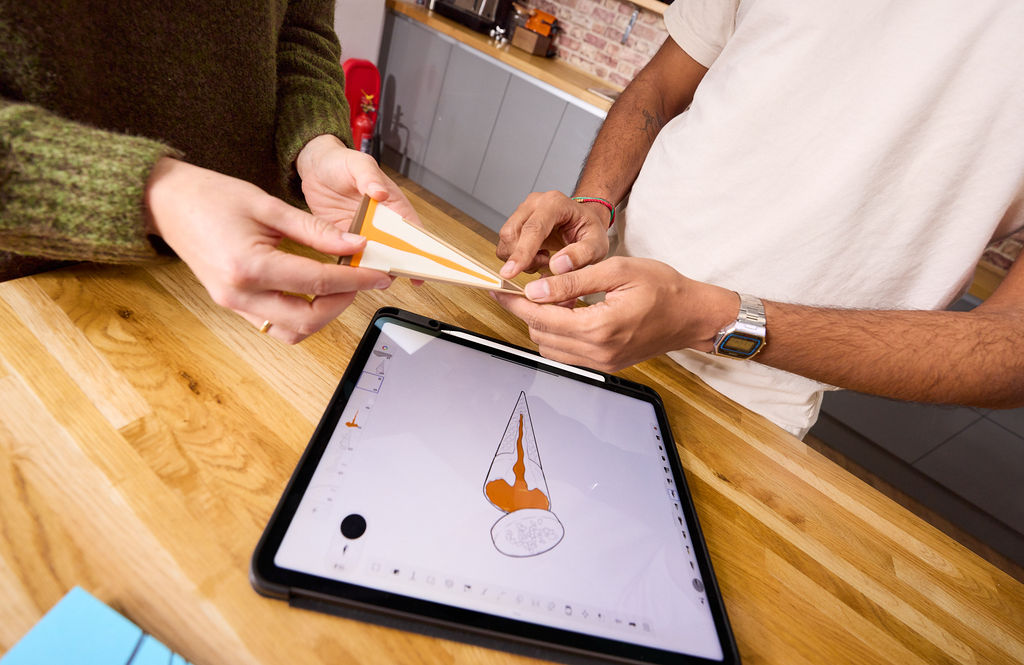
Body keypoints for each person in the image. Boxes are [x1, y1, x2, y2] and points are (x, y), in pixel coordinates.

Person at [493, 0, 1024, 438]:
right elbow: (660, 85)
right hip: (590, 310)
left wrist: (711, 319)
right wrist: (596, 205)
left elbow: (1014, 347)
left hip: (756, 399)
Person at [0, 1, 413, 344]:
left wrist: (314, 144)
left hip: (260, 266)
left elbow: (299, 31)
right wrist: (153, 194)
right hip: (49, 292)